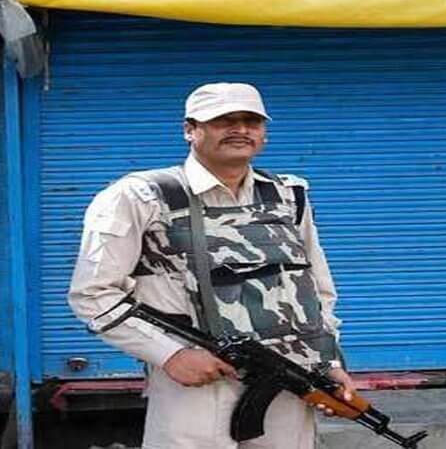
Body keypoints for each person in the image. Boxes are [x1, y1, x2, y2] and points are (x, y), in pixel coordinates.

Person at [68, 83, 355, 449]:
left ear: (264, 132)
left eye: (251, 120)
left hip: (287, 380)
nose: (240, 129)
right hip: (197, 384)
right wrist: (170, 355)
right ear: (190, 130)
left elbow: (315, 286)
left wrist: (327, 361)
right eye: (223, 120)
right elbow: (93, 294)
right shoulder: (140, 196)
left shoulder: (287, 195)